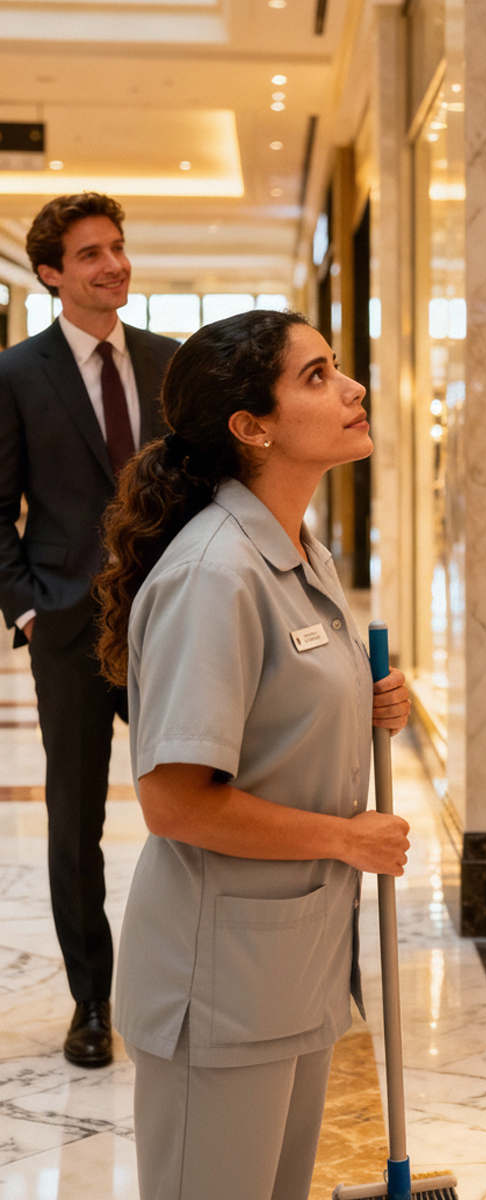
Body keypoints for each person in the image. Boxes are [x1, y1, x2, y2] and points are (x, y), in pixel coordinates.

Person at [94, 308, 411, 1200]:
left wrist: (367, 696)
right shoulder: (215, 573)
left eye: (338, 366)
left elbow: (281, 708)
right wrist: (350, 839)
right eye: (316, 376)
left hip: (294, 969)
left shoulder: (299, 548)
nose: (352, 388)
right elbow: (179, 804)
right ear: (251, 426)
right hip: (221, 985)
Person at [0, 193, 176, 1068]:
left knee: (195, 807)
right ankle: (91, 1004)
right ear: (51, 274)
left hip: (170, 628)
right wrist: (28, 608)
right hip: (69, 629)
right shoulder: (17, 374)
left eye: (118, 247)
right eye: (92, 254)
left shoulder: (167, 362)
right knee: (74, 828)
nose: (114, 265)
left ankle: (187, 978)